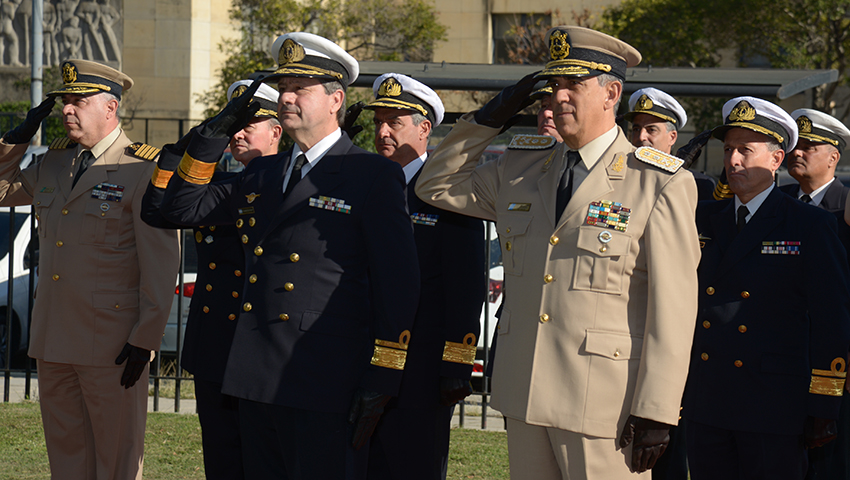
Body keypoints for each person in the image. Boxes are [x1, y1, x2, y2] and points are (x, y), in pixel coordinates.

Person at [416, 26, 700, 479]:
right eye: (554, 86)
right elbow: (435, 185)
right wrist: (490, 117)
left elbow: (675, 308)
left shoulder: (659, 182)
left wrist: (658, 409)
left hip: (605, 409)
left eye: (574, 85)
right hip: (524, 394)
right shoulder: (520, 167)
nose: (559, 97)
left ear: (611, 93)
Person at [158, 32, 420, 479]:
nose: (287, 97)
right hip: (256, 375)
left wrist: (383, 377)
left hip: (325, 379)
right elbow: (177, 208)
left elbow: (398, 283)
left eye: (301, 88)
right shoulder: (263, 172)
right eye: (283, 88)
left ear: (336, 99)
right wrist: (213, 132)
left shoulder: (369, 174)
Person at [0, 59, 179, 479]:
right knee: (67, 460)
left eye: (78, 100)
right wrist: (16, 140)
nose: (66, 109)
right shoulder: (55, 162)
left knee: (115, 459)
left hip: (112, 344)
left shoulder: (143, 168)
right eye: (64, 101)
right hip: (53, 337)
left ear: (111, 108)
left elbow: (160, 264)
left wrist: (146, 339)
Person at [684, 96, 850, 480]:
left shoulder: (809, 224)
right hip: (707, 399)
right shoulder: (703, 216)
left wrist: (824, 404)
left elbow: (830, 319)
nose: (734, 160)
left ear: (776, 160)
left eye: (746, 150)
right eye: (728, 150)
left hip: (772, 404)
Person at [141, 79, 282, 480]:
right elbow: (158, 213)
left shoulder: (285, 183)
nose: (236, 133)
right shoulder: (218, 183)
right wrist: (182, 147)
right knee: (221, 458)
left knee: (262, 459)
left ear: (276, 131)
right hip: (216, 343)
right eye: (232, 123)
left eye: (247, 124)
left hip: (260, 344)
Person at [362, 73, 485, 480]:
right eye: (378, 120)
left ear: (424, 128)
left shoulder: (445, 192)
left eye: (394, 122)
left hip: (421, 365)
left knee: (413, 462)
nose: (382, 131)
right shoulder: (363, 184)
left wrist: (457, 366)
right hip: (360, 356)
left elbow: (466, 283)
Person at [625, 86, 715, 201]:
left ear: (672, 137)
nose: (641, 137)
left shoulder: (698, 185)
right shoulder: (619, 178)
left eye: (651, 130)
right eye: (636, 129)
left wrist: (674, 174)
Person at [781, 109, 850, 212]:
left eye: (807, 148)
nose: (796, 153)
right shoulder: (779, 199)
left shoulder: (846, 204)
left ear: (833, 158)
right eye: (794, 146)